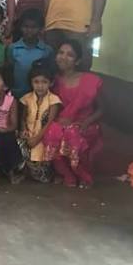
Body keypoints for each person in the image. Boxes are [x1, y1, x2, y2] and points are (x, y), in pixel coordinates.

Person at [43, 40, 103, 188]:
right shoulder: (52, 81)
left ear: (78, 61)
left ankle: (82, 175)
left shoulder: (91, 80)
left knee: (73, 134)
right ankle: (66, 174)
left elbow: (102, 109)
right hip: (61, 123)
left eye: (70, 55)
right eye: (61, 53)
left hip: (85, 124)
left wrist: (86, 122)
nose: (63, 57)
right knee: (52, 131)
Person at [18, 63, 60, 183]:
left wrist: (37, 138)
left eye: (44, 82)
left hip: (44, 136)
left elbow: (50, 122)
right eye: (36, 82)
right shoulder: (26, 98)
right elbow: (23, 118)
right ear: (31, 83)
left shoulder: (54, 100)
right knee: (18, 146)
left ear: (51, 83)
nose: (40, 86)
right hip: (29, 134)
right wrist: (24, 130)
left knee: (41, 164)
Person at [6, 8, 53, 98]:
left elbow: (49, 74)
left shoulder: (46, 50)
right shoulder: (13, 48)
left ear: (40, 28)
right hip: (17, 94)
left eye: (34, 27)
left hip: (39, 96)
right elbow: (10, 71)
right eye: (26, 26)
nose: (29, 30)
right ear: (20, 27)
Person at [0, 66, 21, 183]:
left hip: (6, 130)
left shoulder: (11, 100)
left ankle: (10, 171)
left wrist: (5, 130)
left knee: (9, 140)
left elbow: (14, 124)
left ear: (5, 86)